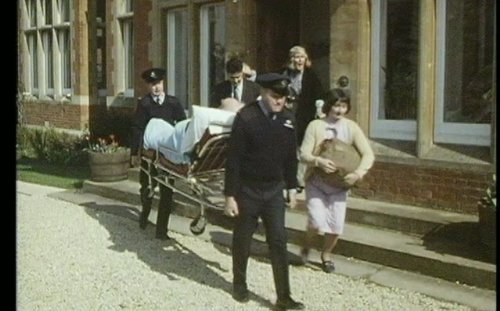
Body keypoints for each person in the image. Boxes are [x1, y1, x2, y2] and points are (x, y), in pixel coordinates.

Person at [224, 73, 304, 310]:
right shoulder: (247, 117)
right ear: (263, 93)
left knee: (279, 241)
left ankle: (284, 296)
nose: (279, 102)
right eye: (275, 96)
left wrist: (292, 187)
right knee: (243, 240)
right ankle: (239, 284)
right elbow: (234, 160)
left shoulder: (288, 119)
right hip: (248, 190)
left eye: (283, 98)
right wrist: (229, 196)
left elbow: (291, 157)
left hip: (273, 191)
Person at [299, 88, 374, 273]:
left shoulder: (351, 127)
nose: (339, 110)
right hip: (316, 182)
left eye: (343, 106)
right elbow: (303, 154)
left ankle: (326, 255)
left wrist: (358, 173)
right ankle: (306, 246)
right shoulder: (315, 125)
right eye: (335, 105)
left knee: (336, 225)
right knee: (316, 221)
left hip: (340, 186)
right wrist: (319, 161)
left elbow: (368, 154)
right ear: (328, 106)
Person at [130, 67, 186, 240]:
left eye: (159, 83)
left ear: (164, 83)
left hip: (167, 155)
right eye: (153, 84)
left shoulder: (173, 103)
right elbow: (137, 129)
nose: (156, 87)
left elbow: (182, 126)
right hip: (149, 153)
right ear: (148, 86)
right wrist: (135, 153)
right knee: (148, 187)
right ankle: (145, 213)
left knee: (167, 191)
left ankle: (161, 230)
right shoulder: (145, 104)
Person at [142, 98, 244, 164]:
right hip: (183, 132)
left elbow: (182, 149)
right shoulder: (226, 130)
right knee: (159, 126)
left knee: (155, 129)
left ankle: (148, 135)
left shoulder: (209, 130)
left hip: (179, 139)